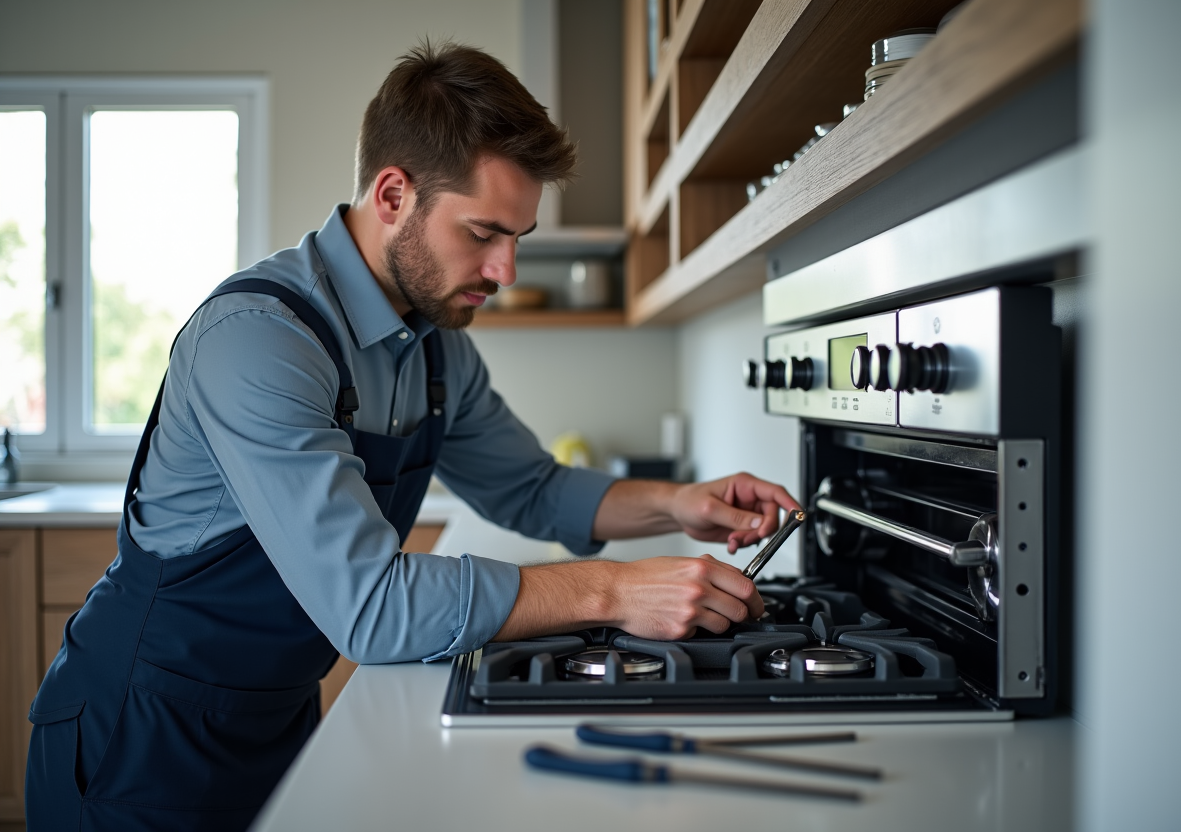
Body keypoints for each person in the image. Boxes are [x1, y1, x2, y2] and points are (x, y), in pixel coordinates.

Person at [24, 42, 799, 832]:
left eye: (519, 238)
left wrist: (680, 504)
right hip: (138, 735)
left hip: (271, 722)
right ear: (393, 193)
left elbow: (530, 488)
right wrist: (615, 590)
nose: (506, 271)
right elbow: (369, 607)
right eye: (485, 232)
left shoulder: (434, 345)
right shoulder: (257, 339)